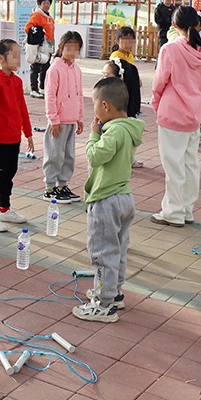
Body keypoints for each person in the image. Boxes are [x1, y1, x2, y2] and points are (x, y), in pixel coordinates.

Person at [72, 77, 144, 323]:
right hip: (124, 196)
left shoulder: (113, 131)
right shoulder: (129, 128)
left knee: (103, 253)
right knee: (119, 249)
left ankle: (103, 304)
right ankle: (114, 293)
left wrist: (93, 136)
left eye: (93, 103)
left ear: (105, 106)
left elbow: (95, 156)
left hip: (106, 200)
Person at [150, 6, 201, 227]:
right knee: (189, 164)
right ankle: (186, 210)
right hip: (194, 113)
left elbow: (159, 81)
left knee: (173, 166)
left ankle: (173, 212)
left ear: (174, 25)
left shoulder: (170, 49)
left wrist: (155, 102)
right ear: (196, 24)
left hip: (172, 113)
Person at [0, 39, 35, 232]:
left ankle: (4, 209)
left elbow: (22, 108)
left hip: (13, 138)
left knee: (8, 174)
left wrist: (28, 133)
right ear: (1, 58)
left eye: (20, 55)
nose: (19, 60)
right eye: (14, 55)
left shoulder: (17, 81)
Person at [42, 31, 85, 203]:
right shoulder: (54, 69)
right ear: (61, 47)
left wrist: (80, 117)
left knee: (68, 155)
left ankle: (62, 185)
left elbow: (80, 95)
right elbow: (50, 96)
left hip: (71, 120)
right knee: (55, 154)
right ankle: (49, 187)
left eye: (76, 48)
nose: (72, 52)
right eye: (69, 48)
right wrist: (53, 119)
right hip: (58, 122)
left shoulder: (77, 70)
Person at [110, 26, 144, 168]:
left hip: (130, 96)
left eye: (132, 40)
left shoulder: (130, 56)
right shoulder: (116, 56)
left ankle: (129, 157)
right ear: (118, 40)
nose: (129, 43)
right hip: (120, 97)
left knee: (130, 126)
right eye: (125, 40)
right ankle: (121, 157)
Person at [25, 0, 56, 98]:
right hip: (40, 46)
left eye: (48, 3)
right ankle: (34, 89)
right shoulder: (37, 15)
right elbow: (28, 28)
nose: (46, 5)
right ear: (39, 4)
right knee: (36, 67)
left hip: (48, 46)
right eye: (44, 3)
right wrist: (39, 36)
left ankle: (42, 88)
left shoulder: (49, 17)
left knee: (46, 67)